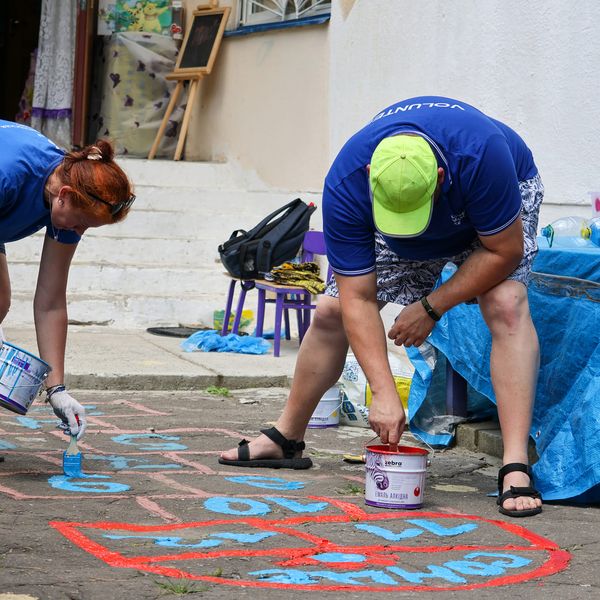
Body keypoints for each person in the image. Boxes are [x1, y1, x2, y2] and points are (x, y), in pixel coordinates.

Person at [220, 96, 544, 518]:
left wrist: (431, 307)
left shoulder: (482, 156)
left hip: (485, 207)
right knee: (331, 310)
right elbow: (357, 296)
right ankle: (286, 437)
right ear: (371, 176)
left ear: (441, 176)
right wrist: (385, 394)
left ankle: (515, 464)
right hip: (414, 201)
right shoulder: (346, 180)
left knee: (507, 303)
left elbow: (503, 251)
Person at [0, 120, 134, 443]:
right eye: (82, 224)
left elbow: (50, 302)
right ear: (64, 196)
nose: (78, 233)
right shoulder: (10, 174)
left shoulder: (68, 196)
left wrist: (56, 389)